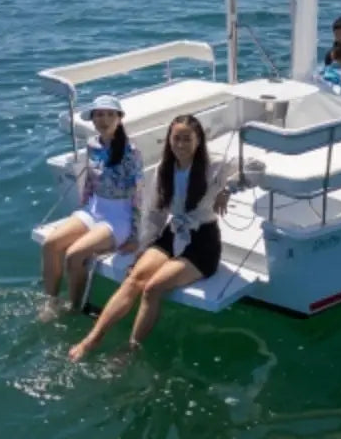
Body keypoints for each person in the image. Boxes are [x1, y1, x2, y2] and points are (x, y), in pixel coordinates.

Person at [67, 114, 238, 361]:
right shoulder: (163, 169)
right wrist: (143, 245)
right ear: (168, 140)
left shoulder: (216, 165)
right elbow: (156, 214)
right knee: (134, 277)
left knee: (153, 288)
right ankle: (92, 339)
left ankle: (131, 348)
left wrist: (228, 189)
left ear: (199, 140)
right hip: (173, 233)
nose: (180, 144)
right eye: (176, 138)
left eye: (187, 139)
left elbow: (255, 168)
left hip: (203, 242)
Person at [38, 95, 143, 322]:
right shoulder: (93, 145)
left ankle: (74, 308)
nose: (103, 119)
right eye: (98, 115)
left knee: (74, 254)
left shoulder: (130, 152)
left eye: (109, 114)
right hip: (93, 209)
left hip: (118, 217)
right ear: (92, 119)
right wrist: (81, 211)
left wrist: (135, 235)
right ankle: (52, 301)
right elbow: (89, 181)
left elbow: (137, 194)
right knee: (50, 244)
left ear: (119, 118)